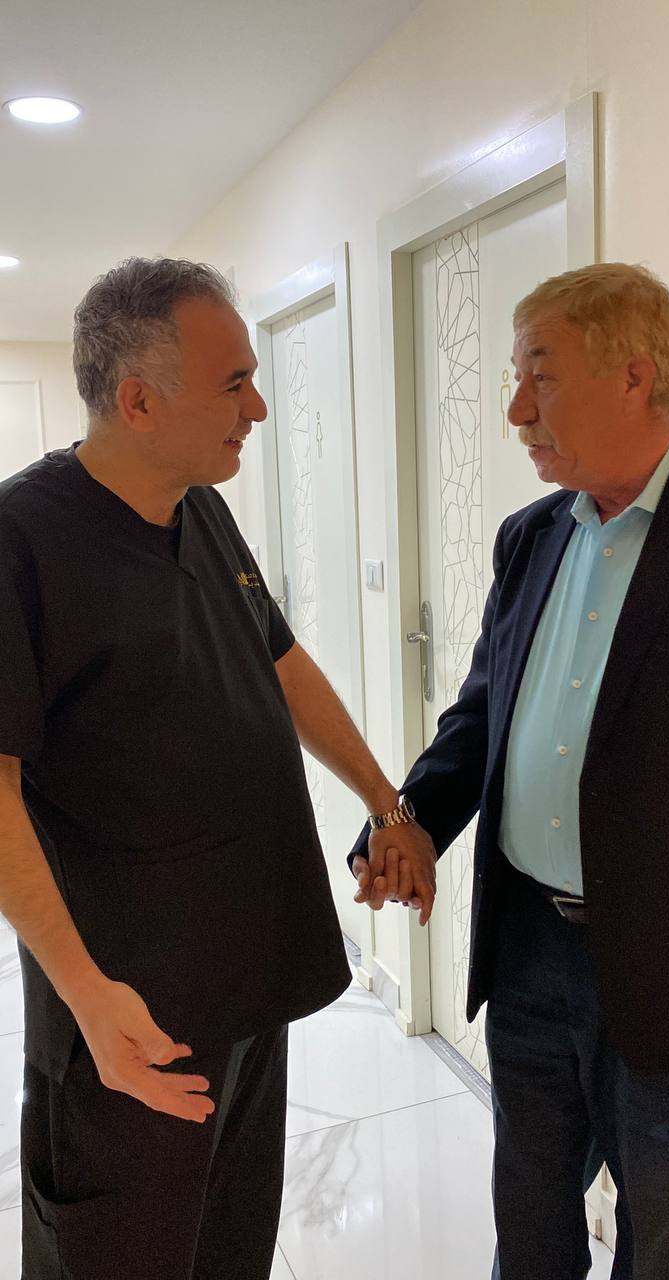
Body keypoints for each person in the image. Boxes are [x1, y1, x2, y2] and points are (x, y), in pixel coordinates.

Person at [0, 256, 418, 1280]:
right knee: (119, 1249)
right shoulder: (21, 539)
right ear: (138, 400)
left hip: (247, 980)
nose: (257, 408)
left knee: (230, 1241)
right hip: (130, 1013)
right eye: (235, 383)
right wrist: (86, 995)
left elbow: (281, 661)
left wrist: (386, 802)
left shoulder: (201, 507)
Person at [351, 262, 669, 1279]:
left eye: (540, 376)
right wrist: (409, 816)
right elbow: (482, 716)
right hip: (528, 953)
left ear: (635, 377)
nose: (516, 408)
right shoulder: (531, 538)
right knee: (531, 1225)